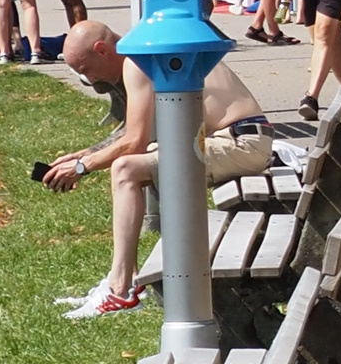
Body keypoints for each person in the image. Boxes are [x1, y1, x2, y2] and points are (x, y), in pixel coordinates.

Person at [44, 20, 270, 318]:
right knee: (136, 162)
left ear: (101, 49)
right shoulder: (144, 51)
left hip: (242, 142)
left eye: (86, 69)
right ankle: (124, 281)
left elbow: (134, 142)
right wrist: (83, 155)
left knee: (126, 168)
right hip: (240, 139)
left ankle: (121, 289)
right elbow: (136, 136)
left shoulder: (136, 62)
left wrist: (83, 167)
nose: (91, 80)